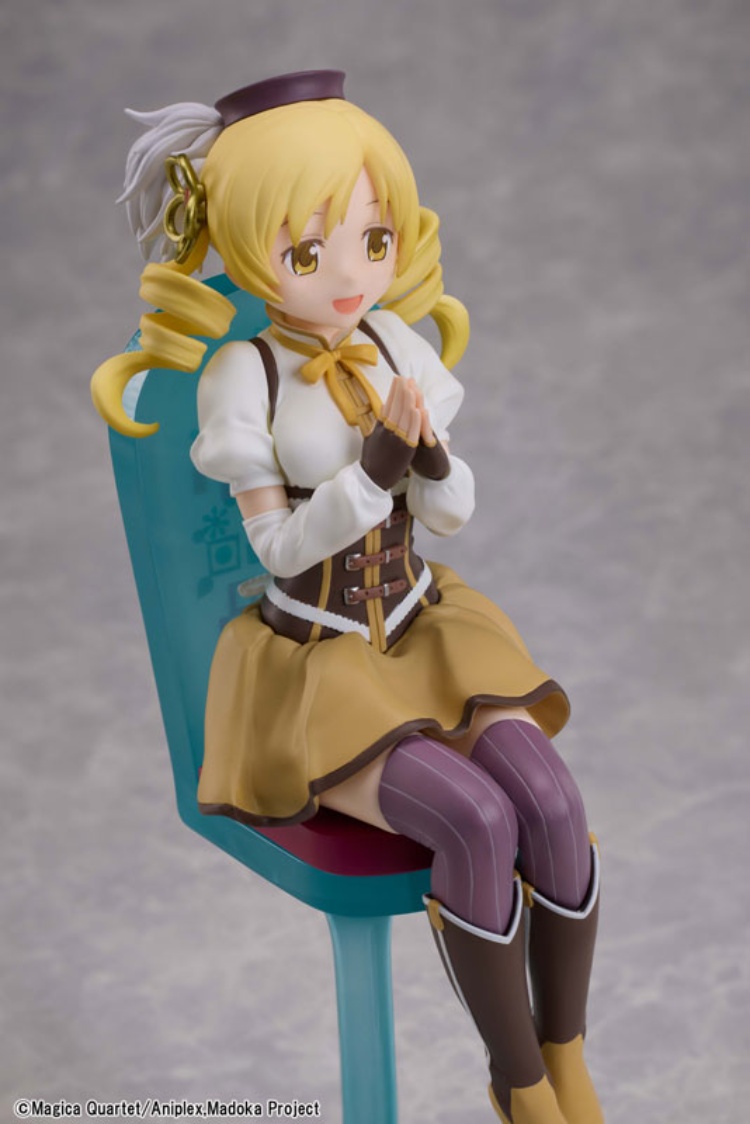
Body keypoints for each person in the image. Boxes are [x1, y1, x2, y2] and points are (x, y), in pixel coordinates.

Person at [92, 71, 604, 1124]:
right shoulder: (244, 377)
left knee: (551, 801)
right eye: (306, 251)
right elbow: (279, 548)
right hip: (318, 661)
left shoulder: (394, 343)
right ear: (249, 246)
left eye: (374, 240)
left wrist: (431, 458)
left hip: (425, 631)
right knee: (474, 819)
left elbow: (450, 515)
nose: (349, 275)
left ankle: (568, 1058)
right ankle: (518, 1085)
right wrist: (370, 475)